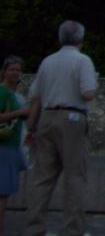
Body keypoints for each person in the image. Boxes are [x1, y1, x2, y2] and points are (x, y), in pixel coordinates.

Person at [24, 20, 98, 236]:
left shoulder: (47, 61)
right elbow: (88, 93)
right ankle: (72, 230)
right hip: (72, 118)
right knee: (75, 177)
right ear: (81, 39)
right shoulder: (82, 61)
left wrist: (31, 127)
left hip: (46, 117)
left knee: (42, 179)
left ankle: (34, 228)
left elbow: (36, 96)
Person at [0, 56, 29, 236]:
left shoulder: (16, 95)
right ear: (4, 71)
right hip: (4, 148)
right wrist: (20, 112)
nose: (15, 73)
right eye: (12, 69)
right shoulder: (3, 93)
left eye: (18, 70)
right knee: (2, 196)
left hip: (12, 147)